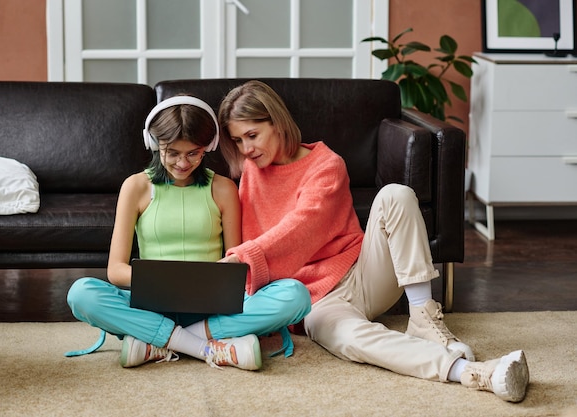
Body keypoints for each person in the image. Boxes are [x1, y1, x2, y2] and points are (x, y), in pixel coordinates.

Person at [215, 80, 529, 402]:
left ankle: (422, 315)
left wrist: (244, 257)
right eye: (238, 141)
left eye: (252, 136)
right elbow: (255, 235)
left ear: (278, 123)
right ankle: (466, 371)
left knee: (396, 195)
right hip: (313, 301)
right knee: (352, 341)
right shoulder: (251, 172)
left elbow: (304, 226)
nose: (246, 149)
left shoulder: (327, 165)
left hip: (362, 274)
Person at [66, 95, 311, 371]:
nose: (183, 163)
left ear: (208, 147)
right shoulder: (135, 187)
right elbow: (116, 270)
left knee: (296, 295)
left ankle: (158, 343)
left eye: (193, 153)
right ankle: (206, 347)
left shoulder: (222, 188)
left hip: (211, 308)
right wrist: (163, 281)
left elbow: (236, 265)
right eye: (172, 153)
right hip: (151, 306)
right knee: (81, 293)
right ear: (154, 144)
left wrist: (214, 279)